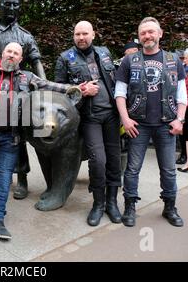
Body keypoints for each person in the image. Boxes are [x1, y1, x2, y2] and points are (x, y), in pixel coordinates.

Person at [0, 42, 78, 240]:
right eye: (9, 51)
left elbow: (51, 86)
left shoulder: (27, 78)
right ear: (2, 54)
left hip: (10, 136)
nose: (12, 55)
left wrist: (76, 88)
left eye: (16, 53)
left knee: (5, 176)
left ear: (20, 59)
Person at [0, 0, 47, 200]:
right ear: (1, 4)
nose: (13, 8)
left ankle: (22, 179)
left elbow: (36, 61)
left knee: (18, 137)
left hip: (17, 89)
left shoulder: (24, 35)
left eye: (17, 4)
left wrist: (42, 88)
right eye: (10, 4)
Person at [114, 16, 187, 227]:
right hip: (138, 124)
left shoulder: (174, 61)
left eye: (151, 32)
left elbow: (182, 94)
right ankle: (129, 206)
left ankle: (170, 207)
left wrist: (179, 120)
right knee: (132, 168)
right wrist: (125, 119)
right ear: (139, 37)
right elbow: (120, 93)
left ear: (160, 33)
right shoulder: (129, 61)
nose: (147, 35)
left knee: (169, 169)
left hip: (167, 124)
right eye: (143, 33)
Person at [55, 20, 122, 226]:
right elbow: (58, 90)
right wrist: (81, 90)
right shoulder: (65, 58)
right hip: (89, 117)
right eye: (77, 34)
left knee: (114, 160)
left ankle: (112, 202)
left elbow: (117, 80)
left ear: (93, 34)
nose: (81, 38)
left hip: (112, 116)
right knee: (98, 161)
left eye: (85, 34)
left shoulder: (104, 52)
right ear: (73, 36)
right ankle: (98, 204)